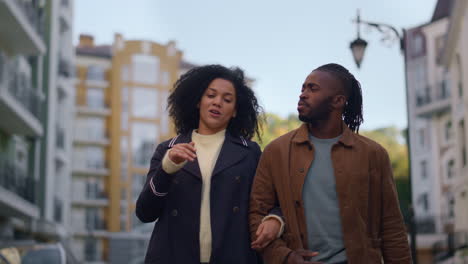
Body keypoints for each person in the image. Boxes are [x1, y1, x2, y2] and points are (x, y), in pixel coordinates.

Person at [249, 63, 412, 264]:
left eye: (313, 88)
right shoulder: (277, 151)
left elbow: (392, 227)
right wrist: (285, 256)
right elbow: (257, 213)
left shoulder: (373, 154)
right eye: (303, 88)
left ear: (338, 101)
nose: (303, 94)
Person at [136, 64, 282, 264]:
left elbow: (274, 201)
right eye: (210, 95)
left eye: (227, 99)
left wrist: (275, 219)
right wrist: (167, 169)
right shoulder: (167, 150)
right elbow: (145, 212)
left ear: (235, 111)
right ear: (198, 102)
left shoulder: (250, 153)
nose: (217, 103)